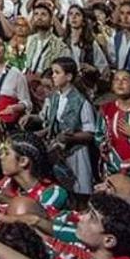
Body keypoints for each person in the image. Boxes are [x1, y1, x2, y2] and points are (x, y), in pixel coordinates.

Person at [39, 57, 98, 195]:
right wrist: (43, 133)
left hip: (76, 153)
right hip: (58, 152)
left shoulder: (81, 101)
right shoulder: (55, 97)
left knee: (79, 190)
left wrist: (71, 138)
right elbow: (54, 124)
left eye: (57, 72)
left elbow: (90, 133)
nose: (53, 75)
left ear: (69, 76)